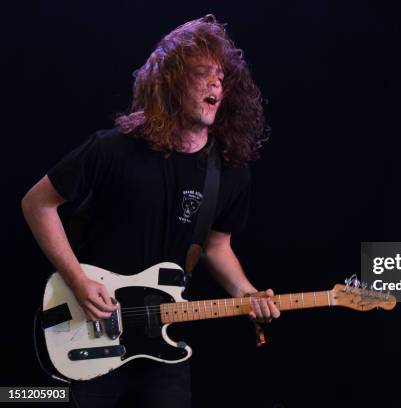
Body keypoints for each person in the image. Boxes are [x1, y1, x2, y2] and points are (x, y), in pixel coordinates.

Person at [21, 14, 279, 407]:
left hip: (162, 343)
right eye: (202, 73)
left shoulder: (228, 172)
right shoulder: (112, 149)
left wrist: (247, 294)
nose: (216, 84)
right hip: (90, 327)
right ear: (171, 80)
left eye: (222, 78)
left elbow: (217, 245)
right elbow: (37, 203)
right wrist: (76, 280)